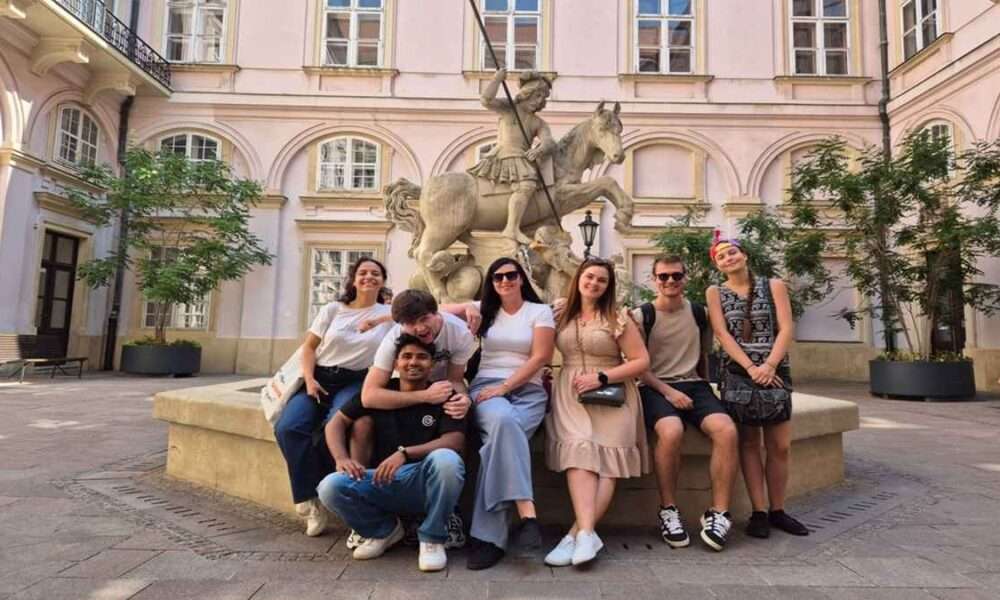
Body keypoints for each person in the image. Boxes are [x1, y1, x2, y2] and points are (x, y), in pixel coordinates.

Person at [318, 334, 467, 572]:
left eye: (421, 357)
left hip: (423, 479)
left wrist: (405, 453)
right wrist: (341, 458)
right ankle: (382, 530)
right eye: (406, 356)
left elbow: (454, 441)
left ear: (432, 364)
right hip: (381, 479)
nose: (413, 362)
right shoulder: (380, 394)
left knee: (447, 460)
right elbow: (336, 423)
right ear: (396, 363)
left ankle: (432, 537)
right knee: (329, 487)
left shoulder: (443, 395)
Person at [444, 258, 556, 570]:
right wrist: (466, 307)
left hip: (528, 391)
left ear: (521, 278)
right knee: (504, 423)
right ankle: (527, 513)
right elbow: (432, 310)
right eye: (497, 277)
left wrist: (506, 387)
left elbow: (541, 357)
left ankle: (489, 539)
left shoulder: (539, 311)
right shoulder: (485, 309)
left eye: (511, 275)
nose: (504, 281)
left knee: (497, 445)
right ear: (491, 283)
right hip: (486, 388)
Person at [273, 257, 394, 537]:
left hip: (355, 381)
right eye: (363, 273)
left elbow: (423, 311)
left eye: (375, 273)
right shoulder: (333, 309)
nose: (369, 277)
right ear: (353, 279)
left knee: (335, 427)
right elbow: (309, 348)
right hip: (320, 377)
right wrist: (310, 379)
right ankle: (309, 499)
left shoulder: (388, 315)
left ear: (383, 281)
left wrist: (382, 316)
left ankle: (333, 492)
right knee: (288, 427)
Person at [543, 257, 650, 567]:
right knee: (579, 453)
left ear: (608, 286)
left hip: (612, 393)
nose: (594, 283)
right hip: (571, 394)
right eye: (589, 277)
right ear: (578, 278)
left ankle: (579, 535)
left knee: (607, 462)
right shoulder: (561, 313)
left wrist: (602, 377)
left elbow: (641, 361)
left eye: (602, 280)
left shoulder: (618, 317)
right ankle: (585, 535)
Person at [633, 255, 739, 552]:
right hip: (653, 386)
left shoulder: (699, 313)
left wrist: (706, 390)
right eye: (663, 276)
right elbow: (638, 367)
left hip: (694, 384)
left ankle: (719, 513)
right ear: (654, 280)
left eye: (676, 276)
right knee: (671, 431)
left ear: (685, 278)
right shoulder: (641, 316)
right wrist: (669, 392)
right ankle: (669, 510)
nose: (670, 281)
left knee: (727, 431)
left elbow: (703, 357)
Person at [705, 239, 809, 539]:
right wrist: (751, 368)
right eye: (721, 256)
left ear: (744, 255)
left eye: (732, 252)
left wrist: (770, 365)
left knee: (780, 445)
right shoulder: (715, 292)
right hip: (739, 373)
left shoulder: (773, 285)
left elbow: (786, 328)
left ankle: (778, 510)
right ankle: (759, 511)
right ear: (717, 265)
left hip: (774, 371)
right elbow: (722, 333)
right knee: (749, 443)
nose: (728, 258)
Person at [468, 67, 556, 245]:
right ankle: (511, 228)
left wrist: (539, 149)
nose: (539, 101)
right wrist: (497, 80)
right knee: (526, 185)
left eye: (543, 98)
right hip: (503, 154)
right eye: (537, 96)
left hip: (521, 157)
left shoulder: (538, 122)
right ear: (526, 93)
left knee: (527, 185)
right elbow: (486, 100)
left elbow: (549, 141)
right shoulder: (508, 108)